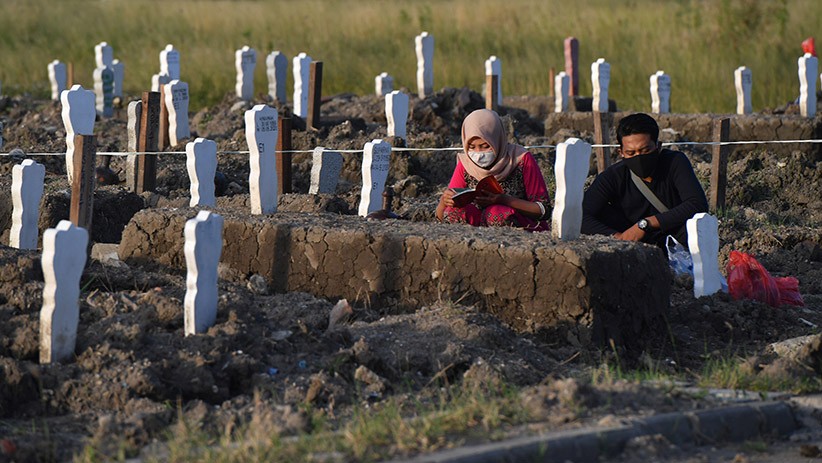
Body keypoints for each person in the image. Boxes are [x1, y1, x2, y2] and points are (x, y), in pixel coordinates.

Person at [581, 112, 708, 249]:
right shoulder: (613, 177)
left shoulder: (674, 162)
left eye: (645, 150)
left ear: (658, 146)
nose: (638, 157)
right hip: (636, 247)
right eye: (631, 153)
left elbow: (697, 204)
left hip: (677, 243)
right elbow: (581, 215)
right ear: (621, 153)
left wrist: (646, 224)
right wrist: (619, 238)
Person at [436, 109, 550, 231]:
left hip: (522, 230)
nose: (478, 153)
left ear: (497, 140)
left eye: (485, 146)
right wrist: (444, 200)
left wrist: (503, 199)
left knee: (496, 213)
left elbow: (543, 209)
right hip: (475, 231)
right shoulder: (466, 164)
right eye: (472, 147)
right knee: (456, 211)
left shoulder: (521, 159)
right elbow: (441, 215)